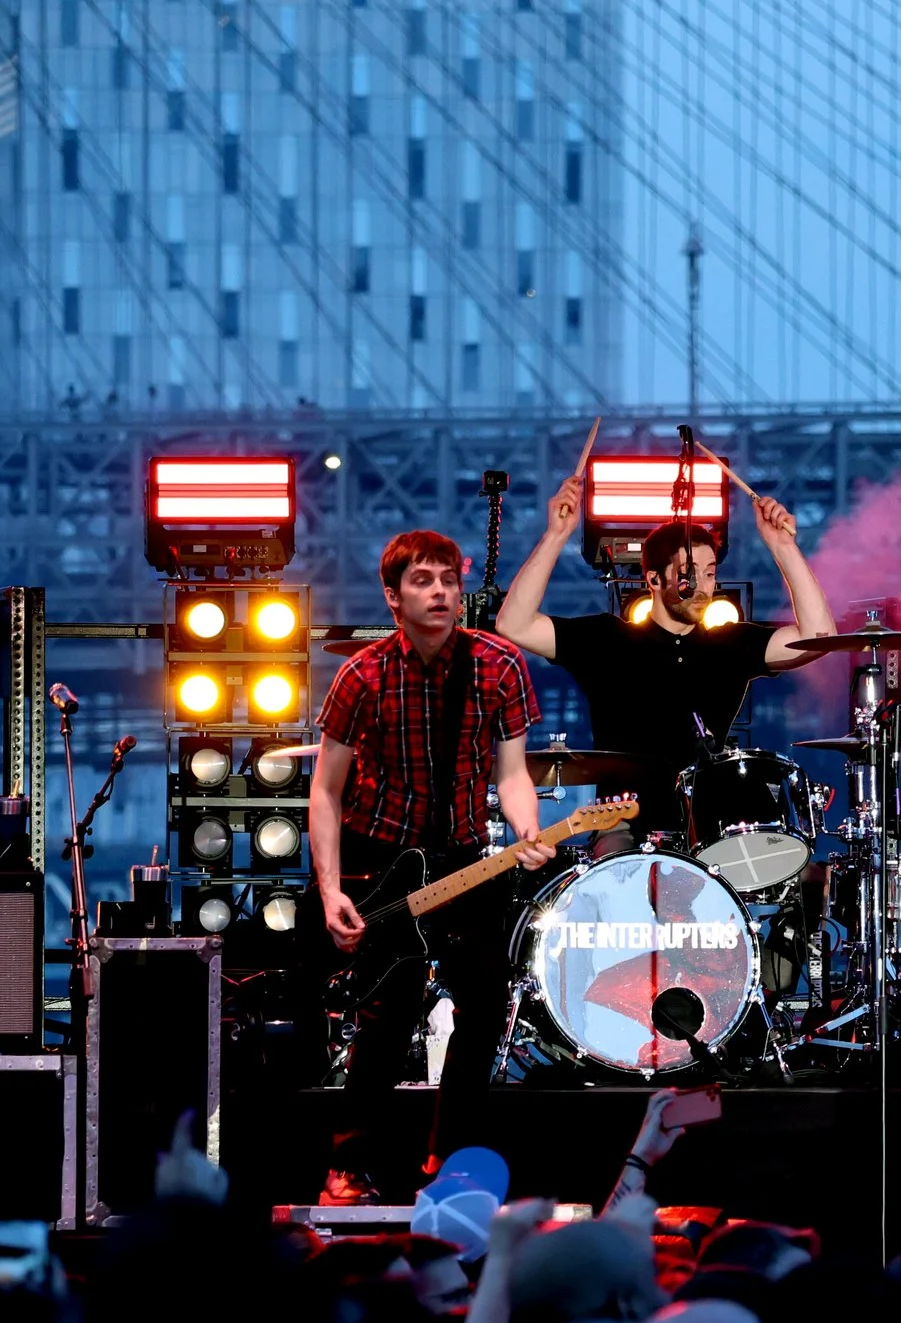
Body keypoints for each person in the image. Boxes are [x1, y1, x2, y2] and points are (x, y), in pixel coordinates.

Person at [311, 530, 556, 1204]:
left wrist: (527, 829)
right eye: (423, 580)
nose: (442, 590)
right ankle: (349, 1163)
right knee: (386, 1014)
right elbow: (325, 790)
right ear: (393, 597)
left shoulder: (499, 666)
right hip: (381, 860)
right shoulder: (361, 674)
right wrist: (332, 889)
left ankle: (451, 1163)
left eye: (448, 578)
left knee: (484, 1004)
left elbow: (513, 776)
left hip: (465, 860)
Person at [495, 479, 836, 848]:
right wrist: (556, 535)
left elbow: (818, 639)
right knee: (613, 867)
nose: (703, 585)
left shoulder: (730, 643)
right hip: (621, 823)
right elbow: (513, 624)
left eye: (710, 572)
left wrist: (782, 546)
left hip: (707, 824)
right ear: (654, 579)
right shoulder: (608, 640)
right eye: (689, 572)